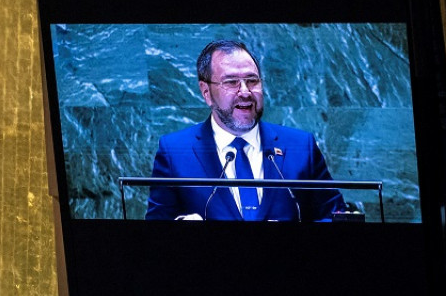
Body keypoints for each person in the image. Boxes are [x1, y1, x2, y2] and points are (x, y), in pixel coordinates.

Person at [145, 39, 343, 222]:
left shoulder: (300, 146)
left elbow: (334, 216)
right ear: (206, 92)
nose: (245, 92)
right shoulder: (174, 151)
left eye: (252, 80)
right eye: (231, 82)